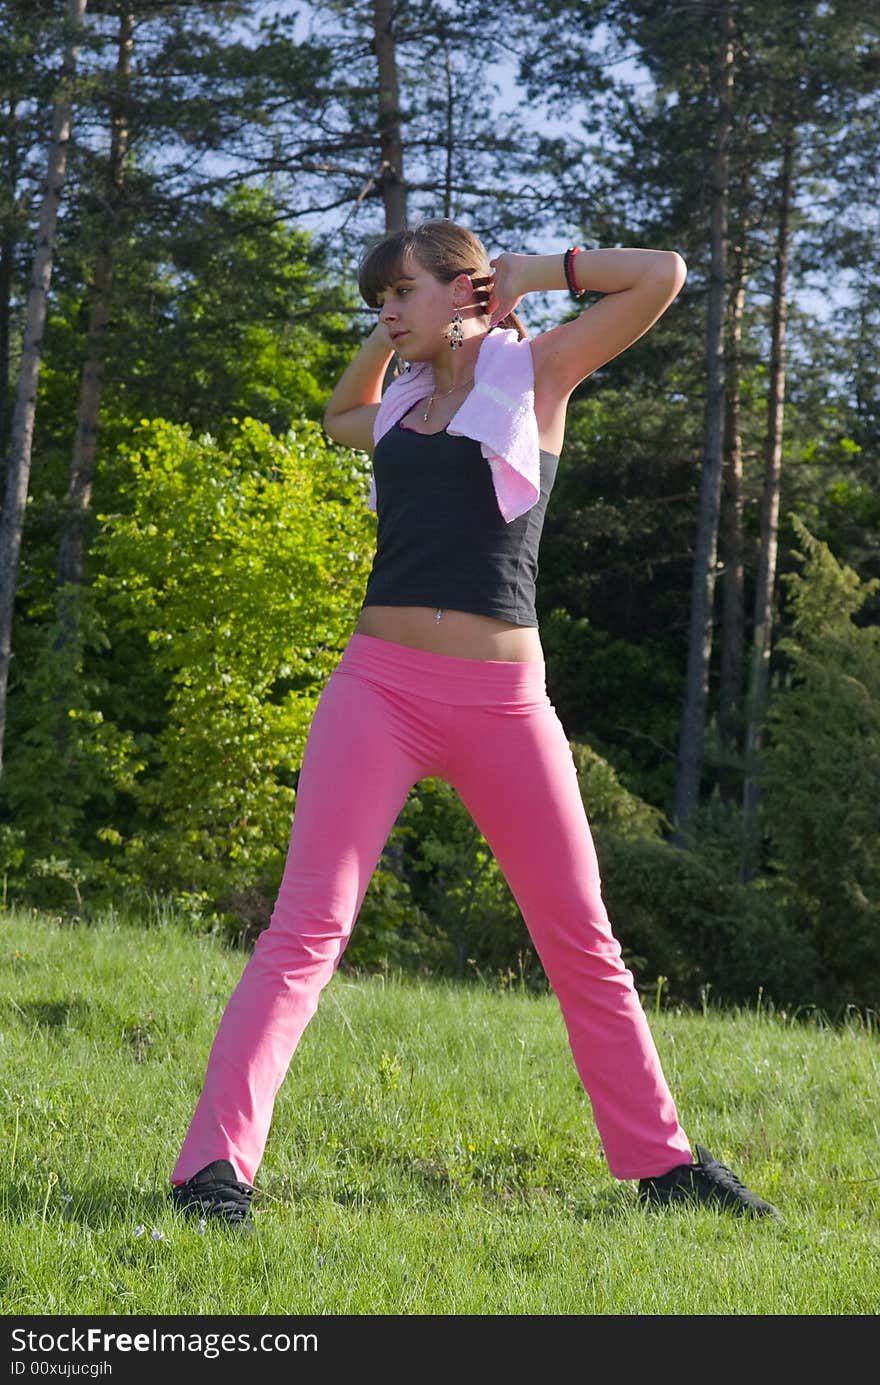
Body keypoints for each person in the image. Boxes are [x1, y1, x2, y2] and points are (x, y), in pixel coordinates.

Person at [169, 219, 780, 1228]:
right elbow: (336, 416)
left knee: (581, 938)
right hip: (379, 691)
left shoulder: (537, 374)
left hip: (506, 704)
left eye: (401, 294)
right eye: (379, 301)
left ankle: (664, 1164)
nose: (388, 313)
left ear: (462, 290)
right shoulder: (401, 403)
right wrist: (392, 334)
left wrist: (538, 275)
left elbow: (662, 276)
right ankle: (211, 1171)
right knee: (305, 929)